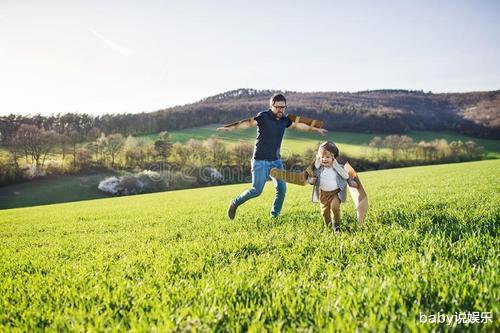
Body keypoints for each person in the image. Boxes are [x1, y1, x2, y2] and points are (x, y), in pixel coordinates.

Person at [216, 93, 327, 219]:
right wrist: (232, 127)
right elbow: (249, 123)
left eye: (283, 107)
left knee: (281, 189)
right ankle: (235, 202)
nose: (281, 110)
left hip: (276, 161)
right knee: (256, 190)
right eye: (278, 107)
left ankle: (275, 217)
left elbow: (298, 125)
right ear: (271, 105)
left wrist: (315, 129)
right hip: (260, 160)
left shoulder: (284, 120)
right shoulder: (263, 116)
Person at [304, 141, 359, 233]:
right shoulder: (317, 169)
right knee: (324, 213)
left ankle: (336, 226)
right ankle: (329, 227)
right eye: (322, 157)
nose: (324, 159)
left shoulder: (338, 167)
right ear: (318, 158)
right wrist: (311, 181)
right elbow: (310, 178)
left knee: (335, 207)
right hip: (323, 194)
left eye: (328, 157)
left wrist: (350, 182)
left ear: (333, 157)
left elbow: (345, 175)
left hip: (335, 193)